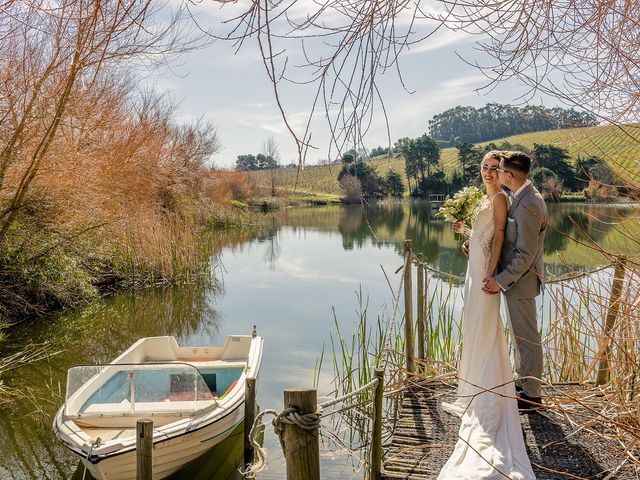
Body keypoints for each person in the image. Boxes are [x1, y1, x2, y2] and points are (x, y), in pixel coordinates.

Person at [438, 151, 535, 480]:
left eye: (495, 169)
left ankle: (487, 387)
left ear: (505, 171)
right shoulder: (486, 197)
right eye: (485, 168)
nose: (490, 173)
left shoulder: (502, 200)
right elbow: (482, 236)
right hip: (474, 267)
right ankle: (470, 385)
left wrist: (492, 273)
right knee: (473, 326)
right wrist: (465, 235)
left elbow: (499, 240)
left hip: (485, 274)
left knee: (486, 326)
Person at [483, 151, 548, 409]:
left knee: (527, 338)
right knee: (521, 337)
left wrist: (499, 280)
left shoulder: (530, 204)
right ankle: (523, 384)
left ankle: (532, 395)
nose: (495, 174)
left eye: (499, 171)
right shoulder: (520, 197)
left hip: (521, 282)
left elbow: (525, 254)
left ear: (509, 175)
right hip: (515, 281)